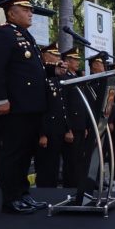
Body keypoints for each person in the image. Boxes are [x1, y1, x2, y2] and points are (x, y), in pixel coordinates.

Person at [0, 0, 50, 214]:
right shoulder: (2, 35)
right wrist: (1, 99)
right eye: (26, 9)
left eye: (30, 9)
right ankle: (10, 199)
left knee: (25, 154)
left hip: (31, 106)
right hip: (15, 107)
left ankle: (23, 194)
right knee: (13, 153)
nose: (31, 13)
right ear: (12, 13)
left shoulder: (25, 36)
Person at [35, 50, 70, 188]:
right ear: (45, 56)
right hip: (47, 130)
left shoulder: (55, 78)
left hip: (58, 128)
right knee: (46, 166)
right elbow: (41, 108)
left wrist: (67, 128)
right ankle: (44, 192)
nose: (57, 58)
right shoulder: (42, 77)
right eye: (54, 55)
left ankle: (52, 191)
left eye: (58, 56)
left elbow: (62, 106)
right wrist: (42, 134)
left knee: (54, 165)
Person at [60, 47, 90, 193]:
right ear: (67, 61)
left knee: (79, 158)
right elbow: (64, 105)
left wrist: (84, 126)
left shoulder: (76, 78)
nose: (78, 63)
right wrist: (68, 129)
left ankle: (78, 184)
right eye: (75, 60)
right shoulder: (65, 79)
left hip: (80, 125)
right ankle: (70, 186)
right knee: (70, 160)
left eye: (78, 60)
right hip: (71, 126)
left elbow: (82, 105)